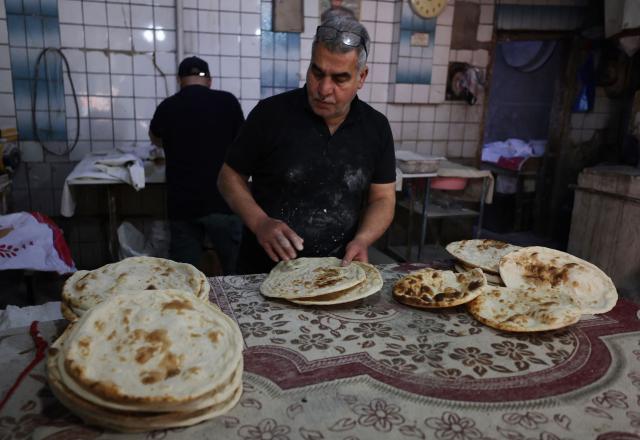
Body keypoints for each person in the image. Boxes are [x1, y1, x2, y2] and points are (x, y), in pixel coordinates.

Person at [218, 15, 396, 275]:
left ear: (361, 77)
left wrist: (363, 239)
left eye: (340, 78)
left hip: (336, 272)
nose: (323, 89)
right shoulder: (270, 115)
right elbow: (228, 177)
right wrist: (260, 223)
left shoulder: (376, 128)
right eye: (317, 72)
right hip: (262, 272)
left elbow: (382, 198)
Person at [149, 56, 244, 274]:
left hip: (182, 205)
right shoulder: (227, 102)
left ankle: (189, 307)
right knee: (237, 272)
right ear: (209, 80)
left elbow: (155, 139)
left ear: (179, 80)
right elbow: (244, 143)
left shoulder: (168, 106)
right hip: (224, 201)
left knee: (186, 277)